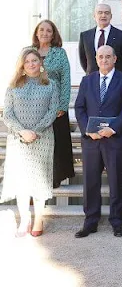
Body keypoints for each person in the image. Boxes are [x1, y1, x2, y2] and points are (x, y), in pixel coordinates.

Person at [74, 45, 122, 238]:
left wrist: (113, 128)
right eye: (100, 57)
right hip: (92, 141)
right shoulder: (87, 81)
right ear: (96, 58)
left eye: (108, 57)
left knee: (116, 181)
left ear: (115, 59)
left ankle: (117, 222)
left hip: (116, 139)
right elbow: (79, 108)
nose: (104, 60)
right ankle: (90, 221)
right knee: (90, 181)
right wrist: (87, 130)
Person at [1, 48, 59, 237]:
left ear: (40, 63)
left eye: (35, 60)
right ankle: (25, 218)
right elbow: (7, 114)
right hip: (18, 139)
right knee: (21, 179)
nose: (32, 64)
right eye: (27, 61)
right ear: (22, 65)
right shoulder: (13, 86)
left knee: (39, 179)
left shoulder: (51, 84)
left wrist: (36, 131)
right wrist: (22, 131)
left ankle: (39, 218)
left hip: (42, 137)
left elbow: (52, 111)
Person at [31, 20, 74, 188]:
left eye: (49, 30)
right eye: (41, 30)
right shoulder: (28, 52)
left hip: (55, 105)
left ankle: (55, 177)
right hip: (33, 106)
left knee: (56, 142)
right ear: (36, 33)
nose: (45, 33)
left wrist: (63, 105)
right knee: (38, 141)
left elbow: (66, 79)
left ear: (53, 34)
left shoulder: (60, 53)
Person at [78, 3, 122, 74]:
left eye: (107, 13)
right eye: (100, 13)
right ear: (94, 16)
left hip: (116, 80)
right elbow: (83, 60)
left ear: (111, 16)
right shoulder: (85, 36)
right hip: (92, 79)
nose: (103, 15)